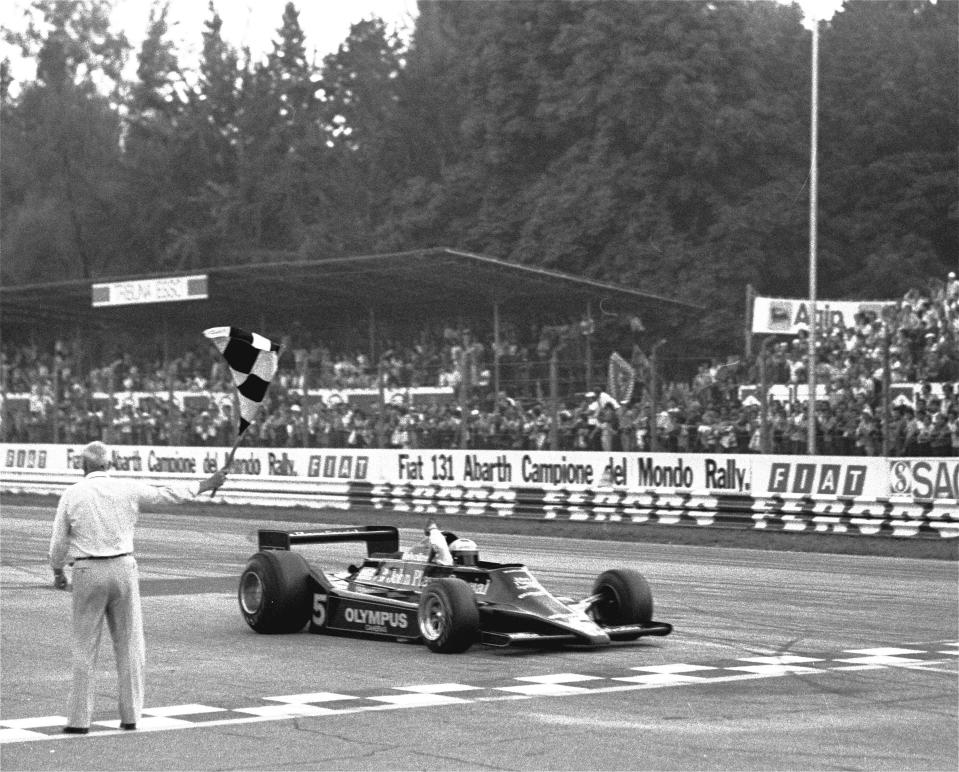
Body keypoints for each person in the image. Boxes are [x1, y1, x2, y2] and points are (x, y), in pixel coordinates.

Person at [49, 441, 228, 734]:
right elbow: (167, 495)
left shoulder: (72, 494)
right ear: (110, 464)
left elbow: (58, 544)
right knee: (130, 644)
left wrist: (58, 571)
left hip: (87, 569)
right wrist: (207, 483)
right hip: (122, 567)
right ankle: (131, 716)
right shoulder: (127, 487)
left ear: (83, 467)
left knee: (84, 647)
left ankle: (79, 721)